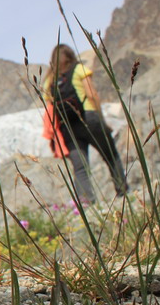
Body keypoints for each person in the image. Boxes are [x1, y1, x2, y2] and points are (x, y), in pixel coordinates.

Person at [42, 44, 127, 204]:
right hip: (89, 118)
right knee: (110, 155)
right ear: (71, 56)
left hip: (68, 127)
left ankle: (86, 203)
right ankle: (123, 192)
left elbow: (49, 110)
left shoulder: (49, 81)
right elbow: (92, 94)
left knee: (80, 168)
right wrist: (101, 120)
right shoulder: (79, 69)